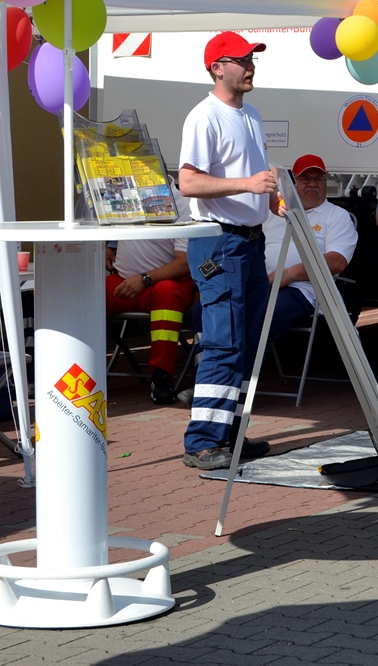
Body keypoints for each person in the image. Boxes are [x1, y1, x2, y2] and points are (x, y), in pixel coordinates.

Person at [178, 32, 278, 471]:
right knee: (223, 341)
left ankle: (229, 433)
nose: (250, 65)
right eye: (242, 59)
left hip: (247, 240)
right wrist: (248, 185)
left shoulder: (251, 114)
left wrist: (271, 196)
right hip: (219, 240)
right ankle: (202, 441)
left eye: (252, 58)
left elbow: (254, 174)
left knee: (244, 340)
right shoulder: (204, 116)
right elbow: (189, 182)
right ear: (217, 67)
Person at [105, 187, 196, 405]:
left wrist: (144, 279)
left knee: (167, 293)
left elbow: (185, 263)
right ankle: (82, 370)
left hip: (165, 284)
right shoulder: (126, 194)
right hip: (125, 281)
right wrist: (106, 246)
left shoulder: (182, 203)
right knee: (85, 294)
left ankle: (161, 376)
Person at [260, 153, 359, 349]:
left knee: (263, 316)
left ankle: (240, 371)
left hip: (301, 288)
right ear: (294, 182)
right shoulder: (275, 212)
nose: (312, 184)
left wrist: (291, 273)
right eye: (305, 179)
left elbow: (337, 261)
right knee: (212, 310)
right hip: (262, 282)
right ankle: (216, 369)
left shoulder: (336, 216)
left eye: (318, 179)